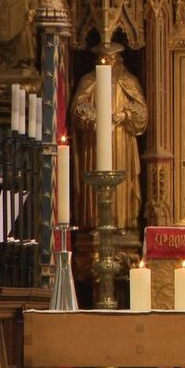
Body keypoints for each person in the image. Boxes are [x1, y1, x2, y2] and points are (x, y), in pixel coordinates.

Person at [72, 45, 148, 233]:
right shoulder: (89, 81)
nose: (107, 62)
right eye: (103, 58)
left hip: (122, 141)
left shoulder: (128, 81)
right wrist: (90, 117)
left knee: (121, 180)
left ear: (119, 59)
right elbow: (77, 111)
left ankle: (121, 221)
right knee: (97, 177)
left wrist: (126, 115)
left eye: (111, 58)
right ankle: (97, 221)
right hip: (95, 141)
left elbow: (142, 113)